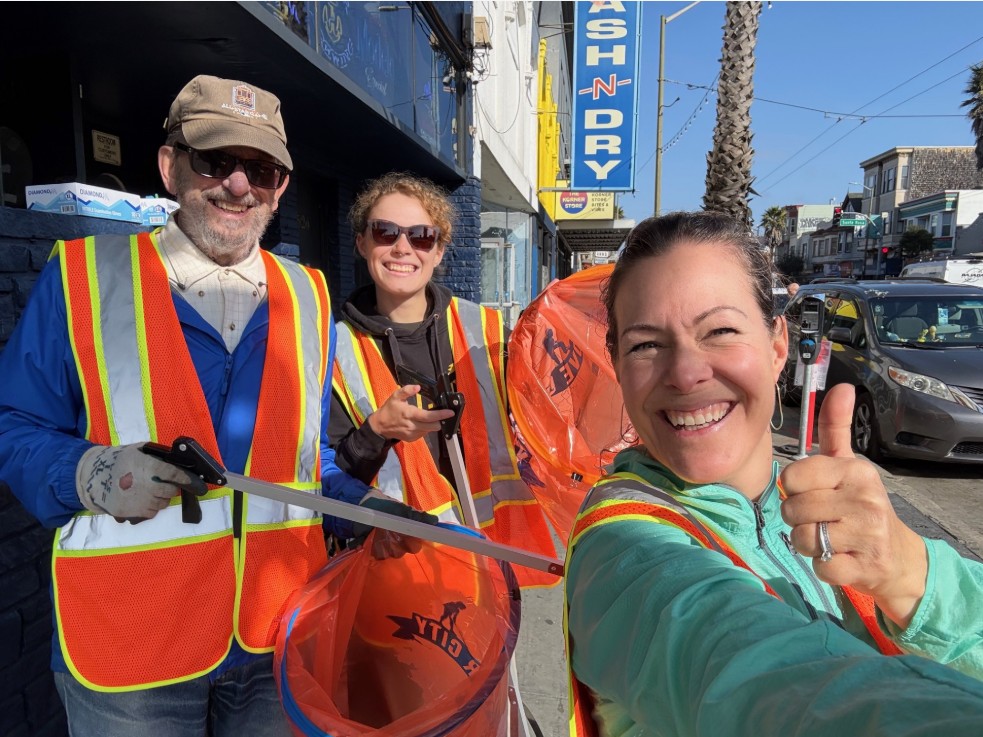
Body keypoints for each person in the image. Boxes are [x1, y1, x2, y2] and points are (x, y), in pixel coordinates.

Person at [0, 75, 431, 737]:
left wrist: (361, 506)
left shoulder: (310, 296)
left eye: (260, 169)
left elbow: (299, 460)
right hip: (132, 651)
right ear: (171, 166)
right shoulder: (85, 275)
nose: (238, 185)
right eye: (215, 160)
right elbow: (17, 425)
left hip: (277, 633)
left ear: (282, 186)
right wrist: (89, 473)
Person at [564, 211, 983, 736]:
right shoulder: (626, 551)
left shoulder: (821, 498)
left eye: (719, 331)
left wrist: (903, 566)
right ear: (619, 366)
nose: (686, 373)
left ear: (778, 343)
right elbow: (761, 674)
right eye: (646, 345)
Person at [329, 172, 559, 587]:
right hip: (397, 574)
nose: (402, 247)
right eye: (385, 232)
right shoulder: (335, 351)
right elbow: (327, 478)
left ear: (439, 250)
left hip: (490, 566)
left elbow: (546, 427)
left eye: (420, 236)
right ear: (362, 242)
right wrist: (376, 431)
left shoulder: (488, 332)